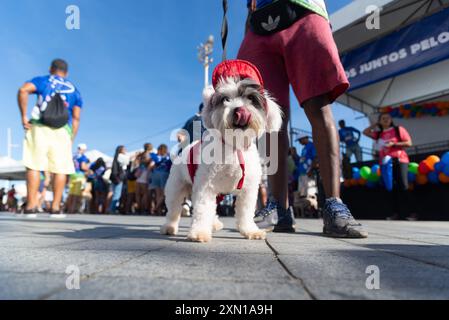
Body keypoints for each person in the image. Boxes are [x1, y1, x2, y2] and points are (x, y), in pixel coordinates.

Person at [239, 0, 367, 237]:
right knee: (269, 118)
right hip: (259, 24)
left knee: (318, 108)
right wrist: (248, 32)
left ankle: (333, 204)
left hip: (304, 10)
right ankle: (279, 207)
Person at [18, 59, 83, 217]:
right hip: (62, 131)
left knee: (34, 165)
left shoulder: (44, 80)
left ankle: (31, 206)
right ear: (66, 73)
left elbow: (23, 90)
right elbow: (76, 117)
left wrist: (24, 116)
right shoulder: (74, 90)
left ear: (51, 69)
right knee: (60, 168)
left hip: (39, 126)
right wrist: (71, 137)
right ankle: (55, 207)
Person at [363, 113, 413, 220]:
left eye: (388, 118)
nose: (386, 120)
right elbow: (365, 132)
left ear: (391, 119)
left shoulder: (398, 129)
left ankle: (411, 213)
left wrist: (393, 144)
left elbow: (409, 143)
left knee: (403, 185)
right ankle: (395, 213)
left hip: (399, 160)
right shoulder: (379, 134)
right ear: (380, 121)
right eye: (383, 118)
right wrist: (376, 124)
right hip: (385, 163)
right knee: (390, 188)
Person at [66, 143, 90, 213]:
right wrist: (89, 170)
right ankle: (73, 209)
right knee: (76, 194)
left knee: (71, 194)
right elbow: (83, 167)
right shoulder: (83, 157)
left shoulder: (74, 156)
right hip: (79, 176)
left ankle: (69, 209)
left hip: (72, 175)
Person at [149, 144, 172, 215]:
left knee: (157, 194)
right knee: (164, 193)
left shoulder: (155, 156)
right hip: (164, 174)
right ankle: (156, 208)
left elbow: (150, 166)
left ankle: (158, 211)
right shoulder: (169, 157)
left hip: (155, 174)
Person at [109, 146, 128, 214]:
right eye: (124, 149)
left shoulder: (116, 157)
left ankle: (111, 209)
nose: (125, 150)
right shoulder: (120, 157)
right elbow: (126, 162)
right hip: (118, 178)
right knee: (117, 195)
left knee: (115, 194)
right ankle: (112, 209)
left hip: (115, 178)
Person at [135, 143, 154, 214]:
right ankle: (143, 208)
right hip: (145, 173)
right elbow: (150, 164)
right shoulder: (150, 155)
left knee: (138, 194)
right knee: (145, 193)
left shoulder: (140, 154)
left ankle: (138, 208)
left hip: (139, 173)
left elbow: (136, 162)